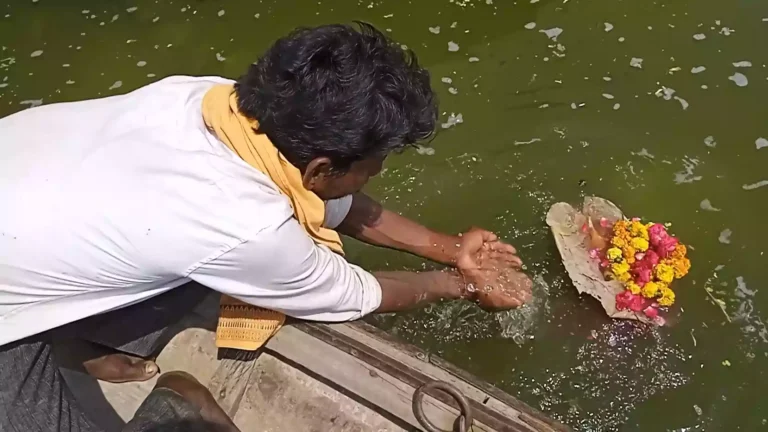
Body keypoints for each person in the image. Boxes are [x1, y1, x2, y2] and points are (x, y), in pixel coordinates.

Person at [0, 22, 531, 431]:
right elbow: (353, 294)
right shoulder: (245, 227)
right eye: (377, 161)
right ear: (322, 167)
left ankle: (79, 333)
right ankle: (179, 404)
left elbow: (322, 198)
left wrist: (450, 248)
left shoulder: (212, 100)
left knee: (152, 255)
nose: (380, 172)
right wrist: (460, 284)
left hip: (27, 216)